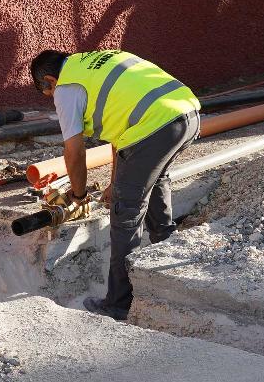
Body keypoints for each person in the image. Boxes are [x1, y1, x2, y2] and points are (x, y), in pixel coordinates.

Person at [30, 49, 200, 321]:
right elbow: (122, 137)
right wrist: (114, 182)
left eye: (47, 93)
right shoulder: (97, 62)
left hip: (155, 125)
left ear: (50, 80)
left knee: (125, 212)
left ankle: (118, 303)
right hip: (186, 113)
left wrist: (78, 194)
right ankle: (170, 265)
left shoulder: (66, 87)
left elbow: (74, 151)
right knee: (156, 182)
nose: (52, 99)